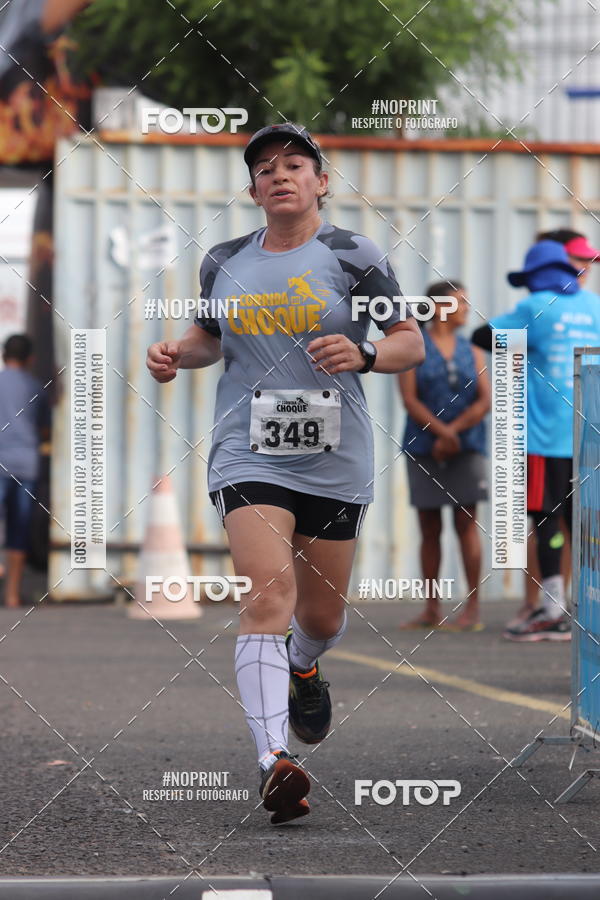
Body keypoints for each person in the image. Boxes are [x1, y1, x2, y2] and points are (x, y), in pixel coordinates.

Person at [146, 123, 425, 825]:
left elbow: (408, 341)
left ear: (321, 181)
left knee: (322, 618)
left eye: (294, 164)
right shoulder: (225, 260)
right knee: (266, 596)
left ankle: (306, 665)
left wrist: (363, 357)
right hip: (248, 451)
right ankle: (274, 762)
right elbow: (210, 336)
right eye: (265, 168)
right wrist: (176, 352)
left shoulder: (352, 254)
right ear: (252, 190)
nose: (280, 175)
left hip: (336, 457)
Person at [472, 240, 600, 641]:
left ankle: (553, 611)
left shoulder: (533, 308)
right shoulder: (595, 307)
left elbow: (481, 335)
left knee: (546, 521)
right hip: (590, 435)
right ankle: (585, 613)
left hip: (545, 437)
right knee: (584, 524)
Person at [516, 229, 600, 623]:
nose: (585, 270)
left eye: (588, 263)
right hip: (558, 437)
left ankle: (555, 606)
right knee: (551, 523)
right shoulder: (544, 306)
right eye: (578, 262)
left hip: (565, 439)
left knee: (557, 522)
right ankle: (544, 603)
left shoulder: (574, 306)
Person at [398, 281, 490, 631]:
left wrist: (454, 433)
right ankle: (431, 609)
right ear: (438, 308)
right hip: (424, 447)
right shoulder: (414, 348)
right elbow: (410, 399)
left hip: (466, 447)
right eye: (460, 302)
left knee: (467, 524)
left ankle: (472, 609)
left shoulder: (474, 351)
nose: (466, 308)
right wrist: (440, 433)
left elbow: (485, 399)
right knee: (429, 526)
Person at [0, 334, 51, 607]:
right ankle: (11, 595)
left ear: (3, 354)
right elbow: (44, 429)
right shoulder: (36, 388)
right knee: (19, 529)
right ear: (30, 359)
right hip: (26, 466)